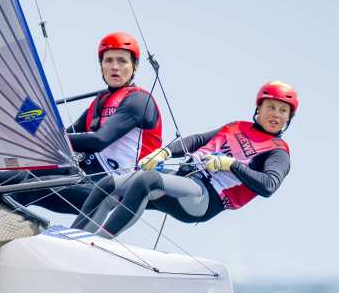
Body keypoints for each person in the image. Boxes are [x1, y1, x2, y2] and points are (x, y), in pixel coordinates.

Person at [74, 80, 297, 237]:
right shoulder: (237, 126)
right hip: (180, 179)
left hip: (204, 198)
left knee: (147, 180)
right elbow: (197, 140)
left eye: (282, 110)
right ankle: (75, 238)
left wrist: (232, 165)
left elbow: (268, 186)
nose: (275, 114)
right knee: (110, 184)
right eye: (271, 107)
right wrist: (165, 152)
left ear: (288, 117)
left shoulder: (278, 152)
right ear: (259, 108)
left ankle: (99, 243)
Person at [0, 32, 161, 214]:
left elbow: (99, 141)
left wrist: (48, 137)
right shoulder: (99, 103)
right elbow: (63, 136)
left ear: (134, 66)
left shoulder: (139, 101)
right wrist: (24, 114)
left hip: (110, 189)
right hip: (80, 175)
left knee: (29, 188)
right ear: (101, 66)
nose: (114, 67)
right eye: (108, 60)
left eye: (122, 61)